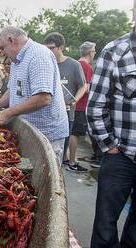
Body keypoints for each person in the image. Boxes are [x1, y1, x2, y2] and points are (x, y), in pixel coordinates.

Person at [0, 26, 69, 164]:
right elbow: (13, 89)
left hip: (46, 135)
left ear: (12, 40)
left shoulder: (38, 55)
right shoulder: (17, 60)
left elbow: (43, 98)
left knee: (46, 179)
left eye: (2, 48)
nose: (1, 53)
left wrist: (8, 113)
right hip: (28, 131)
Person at [87, 27, 136, 248]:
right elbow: (96, 105)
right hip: (121, 156)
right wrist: (110, 146)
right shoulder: (116, 51)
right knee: (105, 225)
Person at [44, 32, 88, 172]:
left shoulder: (74, 65)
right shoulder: (45, 64)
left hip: (67, 114)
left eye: (52, 48)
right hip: (47, 114)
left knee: (60, 152)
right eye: (47, 48)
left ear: (61, 47)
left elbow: (83, 85)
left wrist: (75, 99)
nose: (49, 51)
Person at [67, 41, 97, 169]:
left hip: (71, 104)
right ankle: (72, 162)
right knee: (76, 133)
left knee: (70, 132)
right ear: (90, 52)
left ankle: (66, 158)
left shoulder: (74, 64)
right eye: (94, 51)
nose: (94, 53)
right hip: (80, 105)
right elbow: (87, 88)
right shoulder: (87, 67)